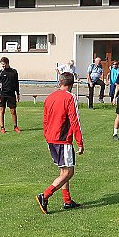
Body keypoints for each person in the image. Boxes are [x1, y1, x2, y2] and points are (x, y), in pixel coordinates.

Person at [36, 72, 84, 214]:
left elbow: (45, 119)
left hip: (51, 138)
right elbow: (75, 121)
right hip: (63, 139)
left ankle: (67, 201)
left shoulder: (50, 97)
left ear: (60, 82)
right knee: (68, 172)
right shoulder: (70, 97)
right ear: (72, 84)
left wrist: (47, 134)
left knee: (63, 169)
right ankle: (45, 195)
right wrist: (80, 142)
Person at [0, 57, 21, 133]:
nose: (2, 66)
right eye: (1, 65)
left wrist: (18, 93)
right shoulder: (0, 73)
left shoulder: (14, 72)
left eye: (3, 64)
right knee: (1, 110)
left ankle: (15, 127)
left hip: (11, 94)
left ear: (7, 63)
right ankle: (2, 127)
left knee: (13, 111)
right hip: (2, 94)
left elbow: (16, 83)